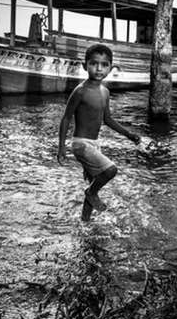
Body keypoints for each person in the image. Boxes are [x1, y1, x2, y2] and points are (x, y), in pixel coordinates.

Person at [57, 44, 141, 221]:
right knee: (110, 171)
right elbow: (65, 118)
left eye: (104, 64)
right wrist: (61, 148)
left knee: (94, 179)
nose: (99, 68)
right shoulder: (80, 91)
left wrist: (128, 134)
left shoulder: (105, 92)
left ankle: (85, 222)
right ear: (85, 65)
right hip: (81, 144)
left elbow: (107, 119)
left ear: (111, 67)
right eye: (94, 64)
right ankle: (91, 193)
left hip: (94, 144)